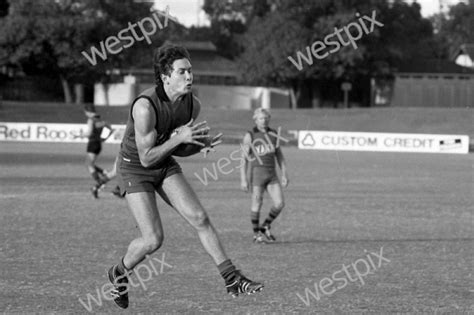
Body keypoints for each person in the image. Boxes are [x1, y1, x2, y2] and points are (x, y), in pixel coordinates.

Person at [107, 45, 263, 309]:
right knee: (153, 239)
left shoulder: (193, 105)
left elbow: (178, 148)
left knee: (200, 217)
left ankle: (231, 278)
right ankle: (119, 272)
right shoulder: (145, 107)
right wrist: (180, 138)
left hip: (163, 162)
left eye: (190, 71)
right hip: (135, 167)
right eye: (182, 72)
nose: (189, 77)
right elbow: (146, 158)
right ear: (166, 76)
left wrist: (196, 144)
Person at [240, 108, 289, 243]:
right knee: (257, 203)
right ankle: (257, 235)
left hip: (272, 175)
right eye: (261, 118)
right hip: (257, 175)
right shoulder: (250, 135)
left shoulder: (273, 134)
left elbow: (280, 156)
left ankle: (265, 225)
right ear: (255, 120)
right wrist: (243, 179)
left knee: (279, 203)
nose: (264, 120)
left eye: (266, 118)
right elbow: (243, 159)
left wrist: (284, 174)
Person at [84, 111, 119, 198]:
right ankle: (101, 185)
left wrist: (79, 135)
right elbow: (110, 129)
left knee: (89, 163)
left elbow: (89, 132)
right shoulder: (103, 122)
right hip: (98, 144)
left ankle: (101, 182)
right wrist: (103, 138)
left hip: (93, 143)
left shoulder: (91, 120)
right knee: (89, 163)